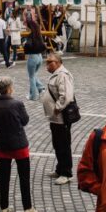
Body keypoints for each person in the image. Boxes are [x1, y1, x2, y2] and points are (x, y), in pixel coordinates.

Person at [0, 76, 38, 212]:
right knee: (24, 177)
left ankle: (4, 207)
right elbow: (25, 120)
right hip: (19, 144)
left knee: (4, 176)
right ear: (9, 88)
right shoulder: (17, 104)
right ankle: (27, 208)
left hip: (2, 144)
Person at [42, 53, 75, 185]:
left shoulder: (63, 75)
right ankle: (60, 168)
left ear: (58, 62)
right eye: (47, 62)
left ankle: (66, 173)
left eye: (50, 62)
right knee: (57, 144)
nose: (47, 65)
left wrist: (57, 107)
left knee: (63, 144)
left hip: (61, 117)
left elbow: (66, 95)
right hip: (55, 118)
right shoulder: (56, 74)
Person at [23, 19, 47, 100]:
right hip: (39, 57)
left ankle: (33, 96)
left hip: (33, 57)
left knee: (31, 77)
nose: (25, 27)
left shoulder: (30, 35)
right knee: (34, 75)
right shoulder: (38, 34)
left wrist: (24, 45)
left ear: (29, 27)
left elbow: (28, 45)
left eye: (26, 26)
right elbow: (43, 45)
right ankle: (41, 89)